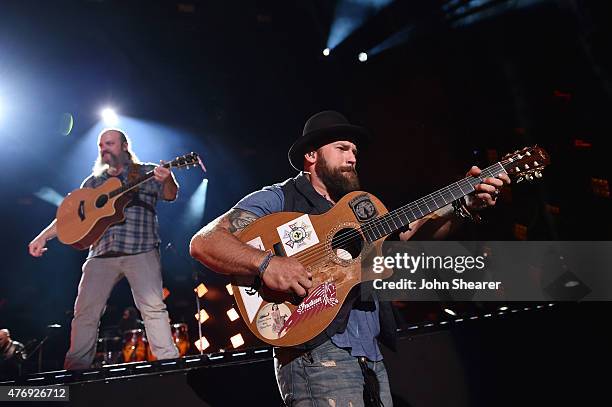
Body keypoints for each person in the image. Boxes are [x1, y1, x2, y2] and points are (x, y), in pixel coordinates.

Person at [189, 111, 510, 406]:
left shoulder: (360, 207)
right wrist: (266, 263)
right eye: (342, 148)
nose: (352, 157)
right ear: (311, 155)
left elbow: (412, 238)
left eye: (354, 151)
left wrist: (464, 206)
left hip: (370, 353)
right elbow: (205, 242)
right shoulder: (279, 198)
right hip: (314, 354)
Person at [28, 128, 180, 370]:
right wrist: (43, 237)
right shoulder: (93, 182)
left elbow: (171, 195)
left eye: (109, 143)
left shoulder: (145, 172)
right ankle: (75, 372)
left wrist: (168, 178)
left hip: (140, 249)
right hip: (100, 254)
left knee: (153, 308)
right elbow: (68, 217)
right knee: (85, 314)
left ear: (124, 146)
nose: (104, 148)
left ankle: (170, 365)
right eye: (101, 145)